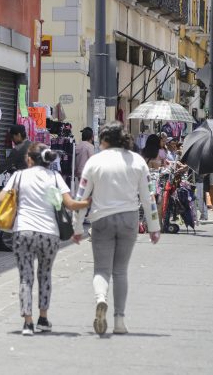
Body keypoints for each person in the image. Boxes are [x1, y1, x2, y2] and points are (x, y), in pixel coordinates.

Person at [74, 122, 160, 335]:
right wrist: (153, 226)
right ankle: (119, 320)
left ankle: (101, 299)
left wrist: (76, 227)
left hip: (101, 219)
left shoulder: (95, 161)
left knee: (101, 269)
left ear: (104, 139)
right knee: (120, 270)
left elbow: (81, 195)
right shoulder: (138, 161)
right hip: (129, 219)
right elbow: (148, 197)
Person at [0, 143, 90, 336]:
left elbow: (1, 199)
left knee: (26, 277)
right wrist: (90, 202)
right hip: (50, 234)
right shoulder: (55, 178)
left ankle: (27, 323)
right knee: (45, 274)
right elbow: (70, 204)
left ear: (29, 159)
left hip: (23, 231)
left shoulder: (19, 176)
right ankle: (43, 318)